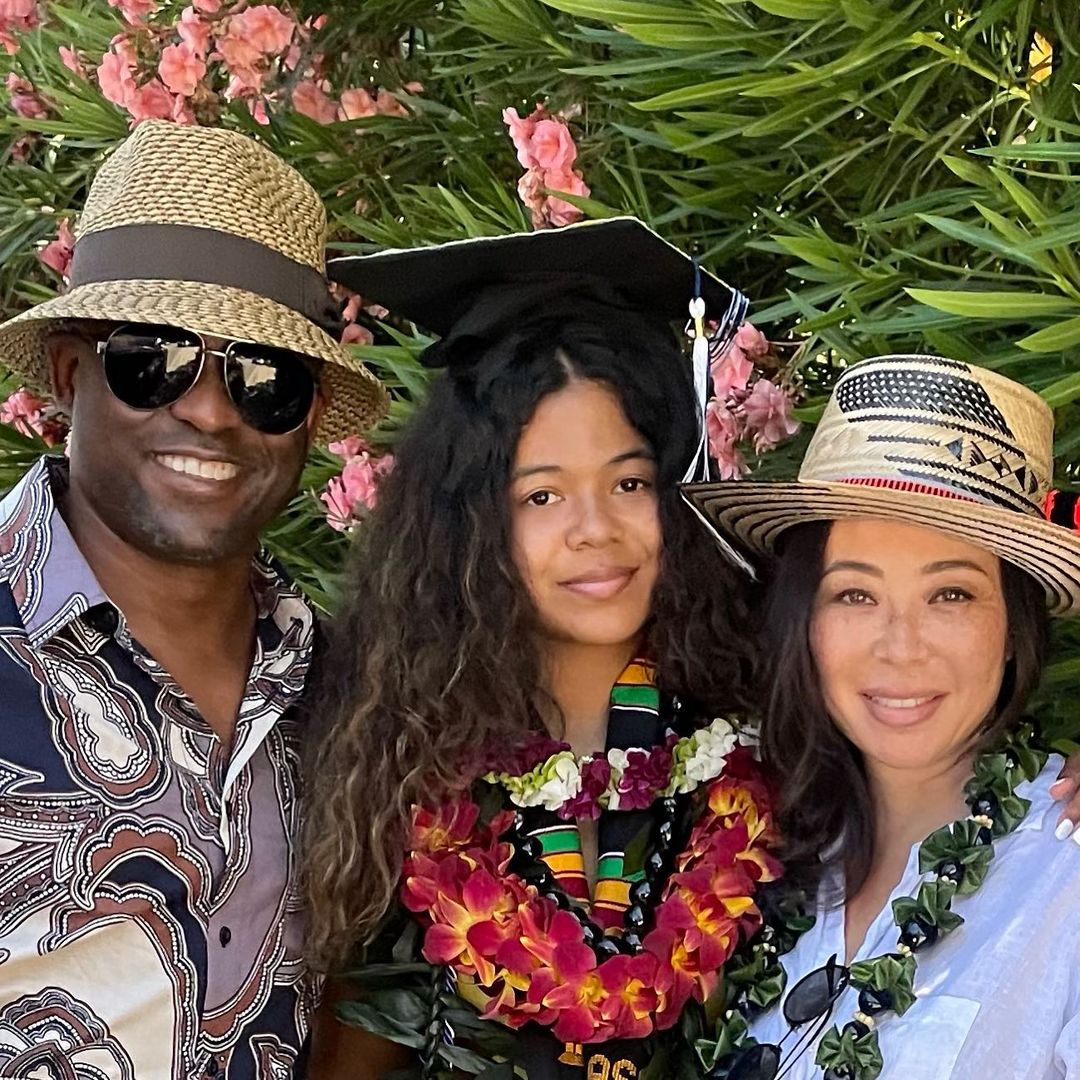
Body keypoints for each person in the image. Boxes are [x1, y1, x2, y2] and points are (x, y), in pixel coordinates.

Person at [303, 218, 775, 1079]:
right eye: (543, 496)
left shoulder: (771, 744)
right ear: (473, 527)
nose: (596, 531)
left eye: (630, 482)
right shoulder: (397, 781)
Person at [0, 120, 386, 1079]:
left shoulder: (339, 690)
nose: (210, 411)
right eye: (154, 357)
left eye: (264, 378)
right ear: (66, 372)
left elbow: (361, 993)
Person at [683, 354, 1080, 1079]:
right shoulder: (764, 863)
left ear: (1013, 625)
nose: (900, 646)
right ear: (806, 619)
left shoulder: (1066, 871)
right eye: (855, 596)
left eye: (952, 595)